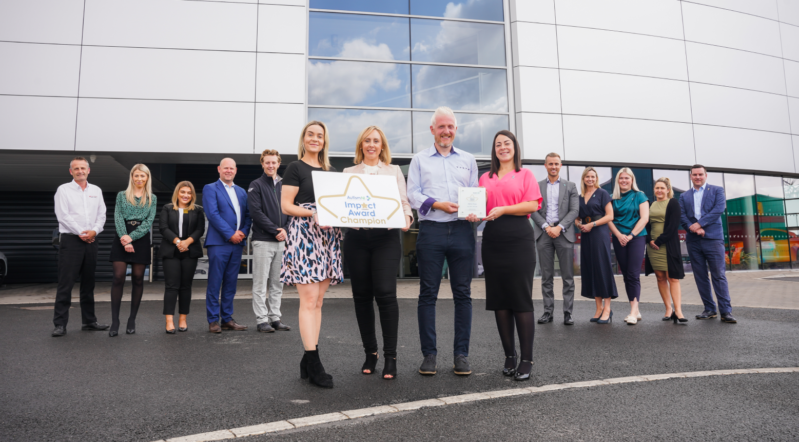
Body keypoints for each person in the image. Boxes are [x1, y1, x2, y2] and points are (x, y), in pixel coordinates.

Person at [407, 106, 479, 377]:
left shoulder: (468, 160)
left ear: (456, 130)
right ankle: (429, 355)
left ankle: (461, 355)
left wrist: (474, 211)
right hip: (431, 232)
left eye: (450, 127)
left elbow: (473, 193)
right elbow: (412, 193)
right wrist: (437, 204)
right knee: (428, 294)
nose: (446, 131)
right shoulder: (419, 159)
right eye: (441, 127)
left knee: (463, 294)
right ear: (432, 130)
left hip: (462, 231)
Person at [343, 125, 414, 380]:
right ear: (361, 145)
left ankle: (390, 356)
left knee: (385, 293)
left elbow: (403, 201)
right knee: (362, 296)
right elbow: (344, 204)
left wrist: (407, 217)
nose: (371, 145)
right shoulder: (348, 172)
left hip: (386, 238)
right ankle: (370, 353)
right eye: (367, 141)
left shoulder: (394, 171)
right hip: (357, 239)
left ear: (382, 145)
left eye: (376, 141)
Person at [281, 121, 342, 388]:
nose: (315, 139)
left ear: (325, 140)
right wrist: (313, 213)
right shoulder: (295, 168)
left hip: (328, 237)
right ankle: (314, 361)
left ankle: (308, 357)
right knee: (308, 301)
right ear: (304, 139)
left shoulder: (331, 171)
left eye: (320, 136)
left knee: (318, 302)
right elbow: (285, 205)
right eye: (311, 135)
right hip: (305, 236)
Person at [477, 131, 541, 381]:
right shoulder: (485, 177)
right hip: (492, 239)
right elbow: (480, 207)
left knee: (520, 298)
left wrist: (504, 209)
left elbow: (533, 205)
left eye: (507, 143)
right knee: (500, 300)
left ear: (515, 147)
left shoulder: (525, 174)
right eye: (498, 145)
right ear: (494, 150)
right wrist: (472, 213)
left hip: (519, 238)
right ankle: (509, 355)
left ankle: (526, 359)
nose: (503, 147)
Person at [52, 157, 109, 337]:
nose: (80, 171)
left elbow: (102, 215)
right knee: (65, 284)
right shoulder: (63, 190)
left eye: (83, 168)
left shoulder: (96, 191)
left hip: (91, 240)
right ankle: (60, 324)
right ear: (71, 171)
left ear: (88, 170)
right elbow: (63, 216)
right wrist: (82, 233)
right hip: (71, 241)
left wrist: (94, 231)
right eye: (76, 168)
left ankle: (89, 321)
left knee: (88, 283)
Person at [679, 165, 736, 323]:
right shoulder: (684, 196)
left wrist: (699, 224)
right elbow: (682, 215)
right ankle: (709, 309)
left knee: (718, 275)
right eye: (694, 174)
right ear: (691, 176)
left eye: (700, 174)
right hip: (693, 240)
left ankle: (725, 311)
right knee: (700, 276)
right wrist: (693, 228)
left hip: (713, 239)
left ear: (706, 175)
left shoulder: (717, 190)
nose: (697, 177)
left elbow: (718, 210)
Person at [202, 158, 252, 333]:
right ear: (219, 169)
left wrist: (243, 232)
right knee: (215, 282)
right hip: (219, 243)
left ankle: (227, 319)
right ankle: (213, 320)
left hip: (237, 244)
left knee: (231, 283)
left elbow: (248, 215)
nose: (228, 171)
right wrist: (230, 234)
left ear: (236, 170)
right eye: (226, 168)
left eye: (231, 168)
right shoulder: (210, 188)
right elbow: (213, 214)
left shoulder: (242, 192)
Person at [530, 153, 579, 326]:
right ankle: (547, 312)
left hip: (563, 233)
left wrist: (559, 227)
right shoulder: (537, 186)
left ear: (561, 165)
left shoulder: (571, 186)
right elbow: (533, 209)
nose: (553, 166)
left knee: (568, 276)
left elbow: (574, 210)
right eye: (550, 164)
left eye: (556, 164)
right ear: (545, 165)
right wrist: (546, 227)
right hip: (544, 233)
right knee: (546, 276)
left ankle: (568, 313)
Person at [109, 164, 157, 337]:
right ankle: (115, 321)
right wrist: (124, 238)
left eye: (142, 176)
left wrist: (132, 237)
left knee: (138, 278)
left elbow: (148, 222)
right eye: (136, 176)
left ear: (147, 178)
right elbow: (118, 217)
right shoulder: (122, 196)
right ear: (132, 177)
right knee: (118, 277)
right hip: (122, 236)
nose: (139, 179)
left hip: (140, 238)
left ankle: (131, 319)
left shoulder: (152, 198)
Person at [248, 149, 291, 333]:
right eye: (267, 162)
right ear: (262, 164)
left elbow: (290, 210)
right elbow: (256, 213)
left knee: (277, 282)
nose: (271, 165)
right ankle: (261, 320)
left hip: (282, 241)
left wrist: (286, 230)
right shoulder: (256, 185)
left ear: (279, 163)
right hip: (263, 241)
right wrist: (275, 231)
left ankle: (275, 318)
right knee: (260, 282)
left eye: (274, 162)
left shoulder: (285, 185)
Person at [159, 181, 205, 333]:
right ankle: (169, 320)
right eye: (183, 192)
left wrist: (187, 242)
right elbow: (163, 228)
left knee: (185, 286)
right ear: (177, 193)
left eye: (189, 192)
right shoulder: (167, 208)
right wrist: (179, 242)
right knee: (171, 286)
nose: (185, 195)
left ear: (192, 195)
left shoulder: (198, 210)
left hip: (190, 251)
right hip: (171, 250)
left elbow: (199, 229)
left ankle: (183, 319)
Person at [575, 167, 617, 323]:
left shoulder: (603, 193)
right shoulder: (580, 196)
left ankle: (607, 309)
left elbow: (610, 216)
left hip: (599, 233)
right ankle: (598, 308)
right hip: (586, 234)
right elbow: (577, 217)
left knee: (602, 268)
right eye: (587, 176)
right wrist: (578, 224)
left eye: (593, 176)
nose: (590, 179)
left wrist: (592, 224)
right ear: (584, 178)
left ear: (596, 178)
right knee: (591, 268)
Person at [608, 168, 649, 325]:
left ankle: (633, 311)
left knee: (633, 273)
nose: (624, 180)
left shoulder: (640, 195)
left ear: (632, 180)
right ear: (617, 180)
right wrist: (619, 235)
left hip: (637, 237)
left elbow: (644, 218)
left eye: (627, 178)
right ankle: (636, 310)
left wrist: (631, 235)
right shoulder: (612, 198)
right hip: (619, 238)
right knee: (626, 274)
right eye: (621, 178)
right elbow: (609, 219)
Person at [644, 178, 687, 325]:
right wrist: (650, 240)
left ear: (668, 189)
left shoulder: (673, 203)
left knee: (672, 278)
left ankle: (679, 311)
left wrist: (658, 241)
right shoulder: (651, 204)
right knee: (660, 277)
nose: (659, 191)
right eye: (657, 188)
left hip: (668, 244)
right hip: (652, 245)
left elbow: (673, 226)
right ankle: (668, 309)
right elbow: (646, 224)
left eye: (662, 188)